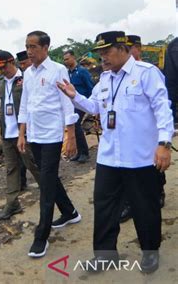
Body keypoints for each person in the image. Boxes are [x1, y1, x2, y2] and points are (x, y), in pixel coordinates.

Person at [57, 31, 174, 273]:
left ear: (123, 49)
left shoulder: (146, 73)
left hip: (140, 157)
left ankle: (150, 251)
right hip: (109, 157)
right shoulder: (105, 79)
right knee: (104, 207)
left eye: (107, 51)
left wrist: (163, 144)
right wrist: (75, 96)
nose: (103, 58)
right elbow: (95, 107)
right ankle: (105, 255)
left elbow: (163, 108)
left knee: (145, 207)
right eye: (99, 53)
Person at [17, 31, 81, 258]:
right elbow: (25, 105)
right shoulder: (28, 73)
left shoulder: (58, 70)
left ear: (46, 47)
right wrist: (22, 133)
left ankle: (41, 236)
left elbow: (67, 103)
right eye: (27, 47)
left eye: (33, 47)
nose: (29, 51)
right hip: (34, 136)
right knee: (49, 178)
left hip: (53, 136)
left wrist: (70, 134)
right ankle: (70, 211)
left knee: (45, 184)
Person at [118, 35, 167, 224]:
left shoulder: (150, 71)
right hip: (127, 133)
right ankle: (130, 203)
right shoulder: (119, 73)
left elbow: (162, 102)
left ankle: (158, 192)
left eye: (129, 48)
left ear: (138, 49)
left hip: (149, 131)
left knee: (155, 169)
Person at [0, 50, 40, 221]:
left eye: (4, 66)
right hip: (7, 133)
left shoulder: (25, 79)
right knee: (11, 169)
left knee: (33, 165)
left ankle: (51, 194)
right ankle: (12, 203)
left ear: (12, 62)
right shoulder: (0, 84)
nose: (2, 70)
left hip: (25, 133)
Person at [63, 50, 94, 163]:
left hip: (82, 103)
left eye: (67, 59)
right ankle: (78, 152)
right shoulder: (67, 73)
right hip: (71, 104)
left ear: (73, 57)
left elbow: (90, 87)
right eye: (64, 59)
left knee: (75, 124)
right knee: (72, 126)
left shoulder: (82, 71)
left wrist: (91, 105)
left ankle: (84, 153)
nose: (65, 61)